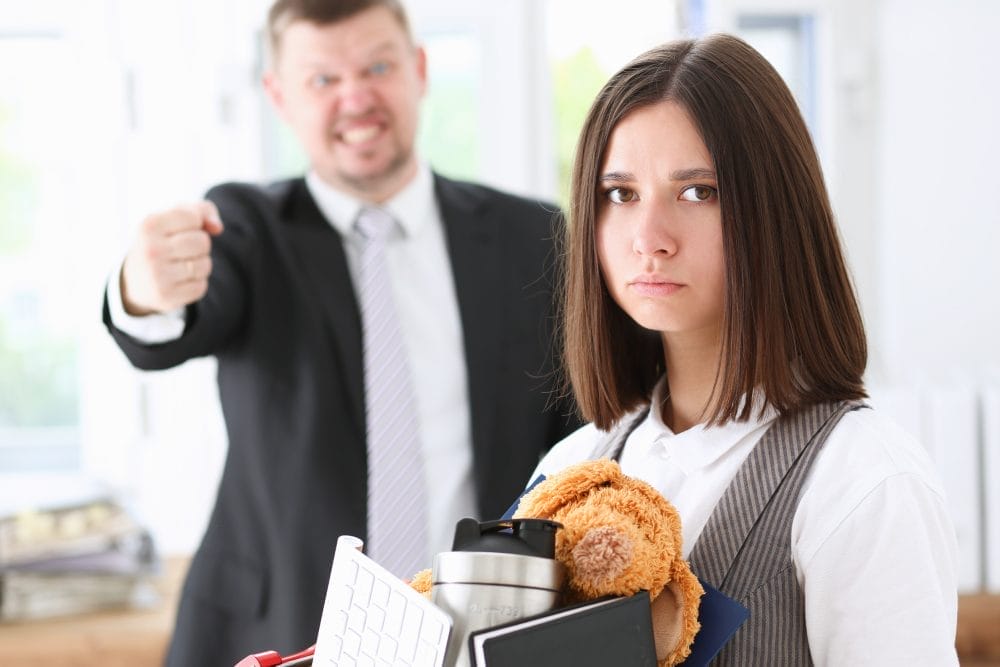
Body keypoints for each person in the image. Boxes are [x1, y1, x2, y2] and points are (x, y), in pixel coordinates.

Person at [102, 1, 578, 664]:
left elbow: (580, 440)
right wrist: (143, 289)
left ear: (418, 70)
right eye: (322, 79)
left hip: (481, 637)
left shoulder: (535, 238)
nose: (356, 97)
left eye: (378, 66)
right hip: (278, 634)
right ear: (278, 96)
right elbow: (165, 327)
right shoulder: (247, 230)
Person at [531, 34, 959, 665]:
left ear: (774, 212)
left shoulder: (864, 482)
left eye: (698, 191)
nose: (648, 238)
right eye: (620, 194)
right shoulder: (571, 467)